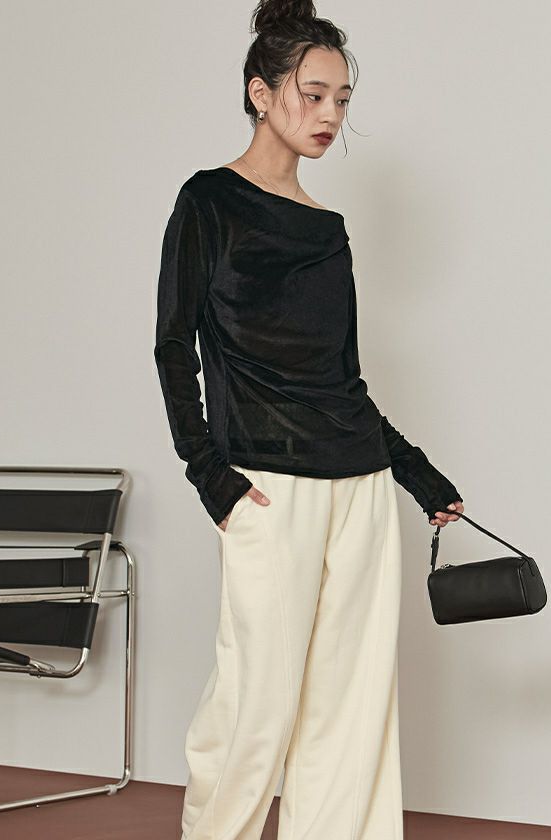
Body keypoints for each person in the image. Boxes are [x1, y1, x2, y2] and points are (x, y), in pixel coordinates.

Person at [154, 2, 464, 838]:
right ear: (262, 94)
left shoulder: (328, 229)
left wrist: (414, 471)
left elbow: (341, 379)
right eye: (314, 94)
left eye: (343, 100)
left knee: (349, 710)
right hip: (264, 486)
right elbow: (173, 345)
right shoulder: (209, 202)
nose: (331, 115)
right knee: (253, 704)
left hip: (358, 487)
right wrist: (208, 475)